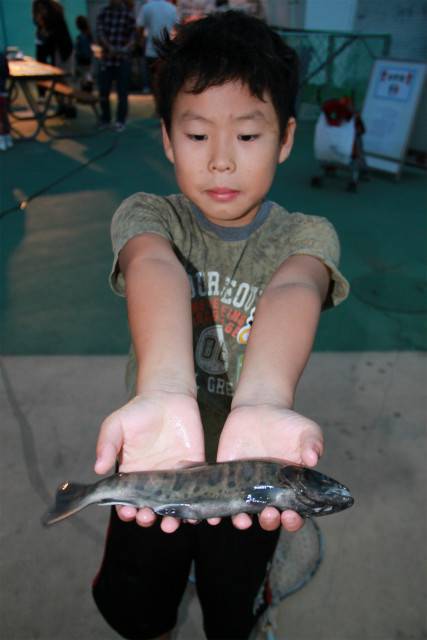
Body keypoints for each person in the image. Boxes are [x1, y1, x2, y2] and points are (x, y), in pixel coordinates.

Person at [92, 10, 349, 640]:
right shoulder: (150, 216)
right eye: (200, 136)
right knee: (138, 601)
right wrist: (163, 388)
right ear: (168, 140)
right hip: (159, 456)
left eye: (249, 136)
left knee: (231, 601)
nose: (222, 163)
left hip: (252, 467)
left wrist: (262, 397)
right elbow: (154, 267)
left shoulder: (304, 236)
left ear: (286, 139)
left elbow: (295, 285)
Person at [96, 0, 136, 132]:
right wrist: (109, 47)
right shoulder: (103, 13)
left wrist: (124, 49)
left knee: (122, 92)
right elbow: (100, 33)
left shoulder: (128, 15)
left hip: (122, 60)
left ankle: (120, 120)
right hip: (107, 59)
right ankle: (105, 119)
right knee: (103, 91)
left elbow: (133, 36)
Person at [136, 0, 178, 92]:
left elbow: (140, 27)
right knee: (165, 79)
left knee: (153, 78)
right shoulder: (172, 9)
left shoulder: (146, 7)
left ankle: (150, 90)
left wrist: (140, 42)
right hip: (167, 50)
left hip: (151, 50)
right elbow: (176, 28)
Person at [75, 15, 94, 89]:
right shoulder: (89, 35)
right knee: (87, 76)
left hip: (82, 61)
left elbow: (80, 51)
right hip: (88, 60)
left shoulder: (81, 37)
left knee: (84, 78)